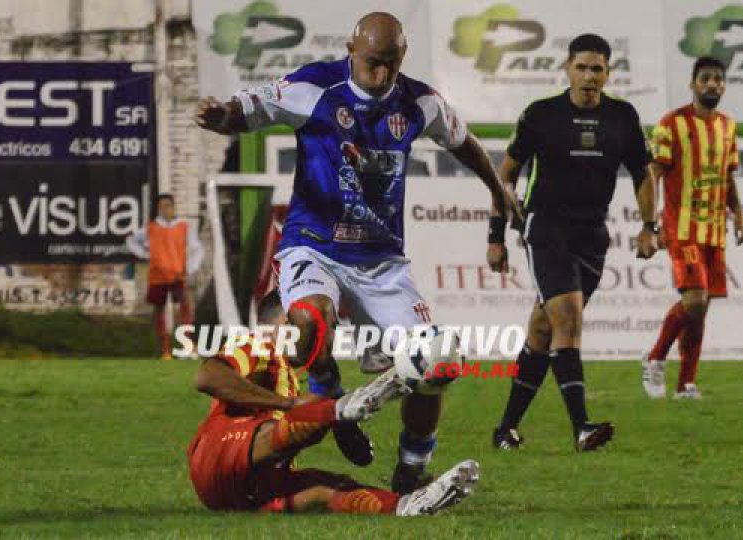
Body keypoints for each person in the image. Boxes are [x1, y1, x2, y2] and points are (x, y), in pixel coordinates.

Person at [195, 12, 512, 492]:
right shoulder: (315, 87)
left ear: (402, 57)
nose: (381, 75)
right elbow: (251, 107)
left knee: (438, 363)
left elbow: (463, 141)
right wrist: (223, 117)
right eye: (371, 64)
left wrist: (497, 192)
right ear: (350, 49)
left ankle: (411, 465)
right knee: (310, 319)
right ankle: (334, 402)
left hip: (382, 263)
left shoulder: (419, 101)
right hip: (313, 246)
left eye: (390, 64)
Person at [488, 34, 658, 451]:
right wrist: (496, 234)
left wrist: (650, 226)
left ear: (608, 73)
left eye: (596, 69)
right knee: (568, 318)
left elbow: (643, 173)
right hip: (544, 228)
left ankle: (505, 429)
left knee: (544, 328)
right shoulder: (541, 115)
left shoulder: (623, 117)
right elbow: (504, 174)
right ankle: (582, 427)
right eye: (581, 67)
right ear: (566, 69)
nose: (588, 76)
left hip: (593, 235)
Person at [186, 292, 480, 515]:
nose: (326, 334)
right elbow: (207, 376)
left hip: (252, 489)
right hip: (219, 456)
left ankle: (406, 505)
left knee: (331, 487)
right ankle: (349, 404)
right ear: (286, 322)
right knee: (312, 405)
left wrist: (339, 425)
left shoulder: (289, 371)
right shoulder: (259, 343)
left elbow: (359, 457)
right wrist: (293, 405)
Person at [641, 57, 743, 400]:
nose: (713, 84)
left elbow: (728, 176)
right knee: (696, 299)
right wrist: (650, 223)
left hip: (714, 229)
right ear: (693, 83)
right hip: (681, 226)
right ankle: (655, 357)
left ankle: (686, 384)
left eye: (718, 79)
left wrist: (739, 215)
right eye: (706, 78)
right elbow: (654, 172)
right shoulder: (671, 124)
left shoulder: (728, 126)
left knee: (701, 309)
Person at [126, 193, 205, 359]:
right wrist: (147, 254)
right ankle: (165, 350)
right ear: (158, 209)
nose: (165, 209)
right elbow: (131, 241)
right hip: (158, 275)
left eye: (168, 205)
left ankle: (188, 346)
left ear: (173, 207)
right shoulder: (150, 228)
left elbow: (197, 249)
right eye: (161, 206)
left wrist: (190, 268)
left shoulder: (184, 227)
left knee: (184, 309)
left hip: (178, 275)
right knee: (159, 312)